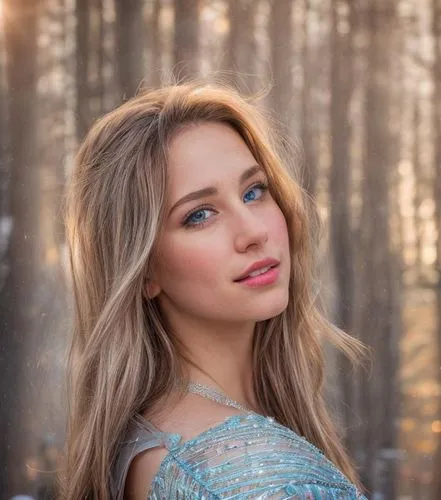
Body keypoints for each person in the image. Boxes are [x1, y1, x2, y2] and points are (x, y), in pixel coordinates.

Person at [60, 80, 367, 499]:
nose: (254, 231)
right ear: (144, 270)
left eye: (254, 191)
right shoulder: (259, 479)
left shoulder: (142, 440)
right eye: (200, 214)